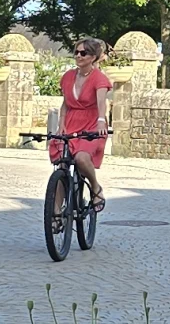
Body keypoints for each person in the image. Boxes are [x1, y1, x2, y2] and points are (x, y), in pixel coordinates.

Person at [54, 38, 113, 213]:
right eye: (77, 52)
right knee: (62, 166)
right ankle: (56, 213)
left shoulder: (99, 78)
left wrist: (101, 121)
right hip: (71, 122)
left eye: (83, 53)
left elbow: (101, 102)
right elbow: (65, 104)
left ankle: (95, 187)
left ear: (93, 57)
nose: (78, 56)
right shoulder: (68, 77)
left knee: (81, 158)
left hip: (91, 124)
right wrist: (61, 125)